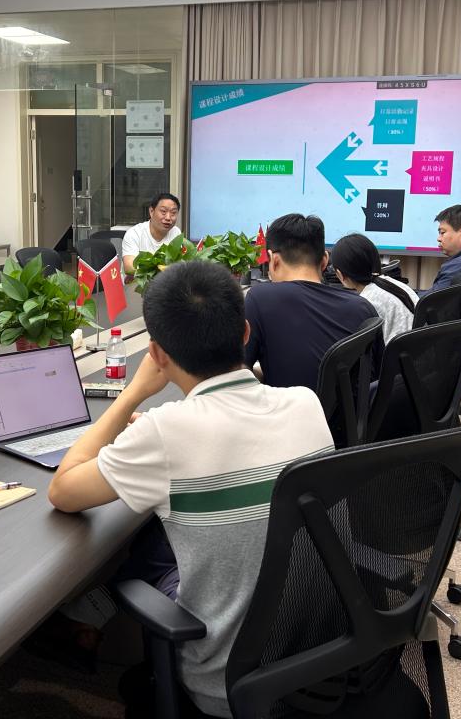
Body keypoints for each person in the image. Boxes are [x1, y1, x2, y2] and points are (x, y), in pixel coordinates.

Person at [47, 261, 334, 717]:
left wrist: (132, 394)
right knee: (160, 536)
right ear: (245, 333)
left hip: (225, 682)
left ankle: (90, 619)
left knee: (144, 551)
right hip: (318, 650)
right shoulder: (305, 402)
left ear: (156, 354)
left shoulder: (165, 432)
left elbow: (63, 490)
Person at [244, 214, 382, 390]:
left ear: (274, 260)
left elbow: (238, 373)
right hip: (352, 409)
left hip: (289, 408)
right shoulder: (363, 307)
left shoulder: (260, 298)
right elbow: (376, 378)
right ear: (324, 260)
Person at [331, 233, 419, 344]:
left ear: (340, 274)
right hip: (419, 351)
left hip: (394, 354)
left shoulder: (365, 303)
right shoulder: (399, 285)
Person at [121, 192, 183, 273]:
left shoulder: (176, 232)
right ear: (151, 211)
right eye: (163, 211)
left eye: (173, 213)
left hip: (166, 280)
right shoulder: (134, 233)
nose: (168, 218)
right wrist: (161, 269)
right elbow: (130, 268)